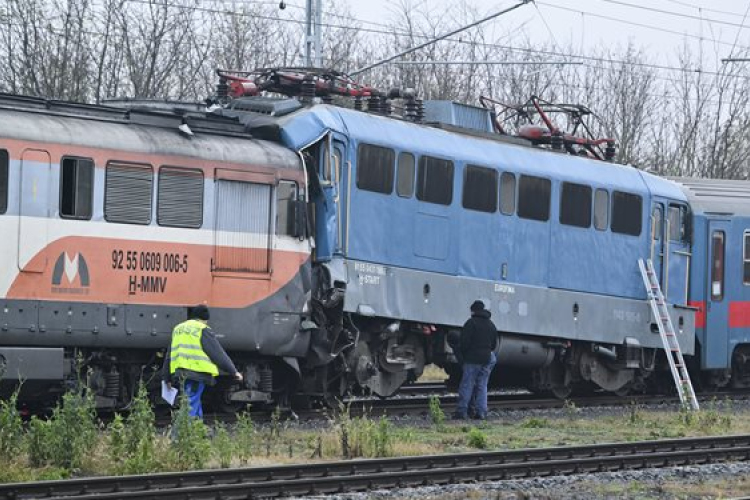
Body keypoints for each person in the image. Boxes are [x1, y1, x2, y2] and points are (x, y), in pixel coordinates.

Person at [162, 304, 243, 419]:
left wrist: (166, 378)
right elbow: (218, 354)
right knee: (189, 405)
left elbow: (169, 356)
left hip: (180, 374)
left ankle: (198, 432)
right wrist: (234, 372)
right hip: (196, 374)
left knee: (194, 402)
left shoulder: (178, 329)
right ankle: (179, 434)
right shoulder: (202, 329)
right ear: (204, 319)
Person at [453, 300, 498, 420]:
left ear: (473, 310)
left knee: (467, 384)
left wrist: (464, 353)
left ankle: (462, 411)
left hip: (472, 358)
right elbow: (494, 344)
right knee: (482, 385)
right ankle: (481, 412)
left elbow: (464, 343)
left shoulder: (470, 323)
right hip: (487, 358)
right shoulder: (491, 324)